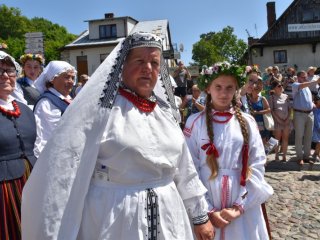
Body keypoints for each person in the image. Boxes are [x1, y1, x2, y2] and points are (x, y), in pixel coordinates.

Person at [22, 32, 214, 240]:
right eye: (139, 60)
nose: (148, 68)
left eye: (154, 62)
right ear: (122, 64)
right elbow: (63, 172)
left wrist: (200, 217)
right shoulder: (99, 112)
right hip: (115, 218)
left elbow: (184, 168)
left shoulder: (165, 113)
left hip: (169, 216)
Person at [184, 62, 273, 239]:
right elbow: (188, 168)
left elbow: (257, 164)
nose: (224, 93)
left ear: (236, 90)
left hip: (241, 202)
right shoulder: (194, 122)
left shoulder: (247, 122)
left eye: (229, 88)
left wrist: (240, 206)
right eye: (218, 87)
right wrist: (207, 210)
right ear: (208, 88)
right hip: (206, 198)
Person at [0, 51, 37, 239]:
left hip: (30, 179)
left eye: (9, 71)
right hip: (4, 186)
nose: (5, 76)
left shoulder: (23, 109)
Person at [33, 60, 76, 158]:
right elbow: (46, 137)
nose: (71, 81)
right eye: (66, 77)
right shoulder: (46, 103)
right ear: (52, 79)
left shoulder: (68, 99)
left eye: (72, 78)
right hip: (58, 157)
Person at [292, 71, 320, 165]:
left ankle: (306, 157)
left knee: (309, 136)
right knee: (299, 136)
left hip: (310, 114)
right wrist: (316, 81)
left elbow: (309, 100)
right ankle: (299, 157)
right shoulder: (295, 85)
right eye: (303, 77)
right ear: (298, 77)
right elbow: (303, 85)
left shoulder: (307, 87)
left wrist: (312, 104)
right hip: (299, 114)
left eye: (306, 77)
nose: (305, 78)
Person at [268, 81, 291, 161]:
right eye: (279, 86)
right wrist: (279, 120)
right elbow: (272, 110)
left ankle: (284, 156)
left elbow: (289, 109)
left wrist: (288, 119)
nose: (281, 87)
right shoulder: (272, 97)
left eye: (281, 85)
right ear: (274, 88)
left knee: (285, 138)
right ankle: (276, 155)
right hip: (277, 121)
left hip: (286, 121)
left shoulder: (286, 96)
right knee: (277, 138)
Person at [311, 94, 320, 164]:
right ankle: (315, 154)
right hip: (316, 129)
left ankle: (317, 153)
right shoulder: (315, 109)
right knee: (318, 142)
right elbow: (316, 120)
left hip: (318, 128)